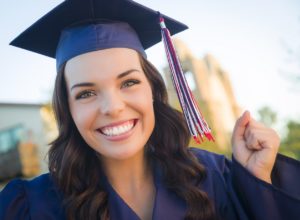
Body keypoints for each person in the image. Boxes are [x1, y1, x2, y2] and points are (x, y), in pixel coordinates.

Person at [0, 0, 300, 220]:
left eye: (128, 82)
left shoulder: (216, 179)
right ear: (68, 110)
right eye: (87, 93)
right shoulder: (31, 207)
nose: (113, 107)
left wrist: (256, 181)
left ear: (153, 91)